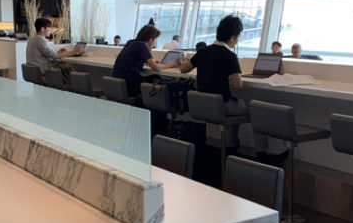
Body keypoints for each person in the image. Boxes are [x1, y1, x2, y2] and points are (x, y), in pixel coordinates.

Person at [179, 15, 267, 154]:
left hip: (202, 105)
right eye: (238, 37)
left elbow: (183, 69)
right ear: (232, 38)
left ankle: (231, 147)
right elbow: (238, 85)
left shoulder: (202, 51)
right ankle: (263, 155)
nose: (237, 41)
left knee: (236, 104)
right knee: (258, 110)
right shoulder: (230, 56)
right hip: (222, 106)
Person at [112, 25, 178, 97]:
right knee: (156, 78)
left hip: (118, 85)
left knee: (154, 79)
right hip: (129, 86)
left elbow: (137, 57)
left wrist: (151, 60)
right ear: (150, 40)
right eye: (155, 42)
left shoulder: (130, 42)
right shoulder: (142, 45)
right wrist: (170, 65)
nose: (154, 45)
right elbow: (155, 67)